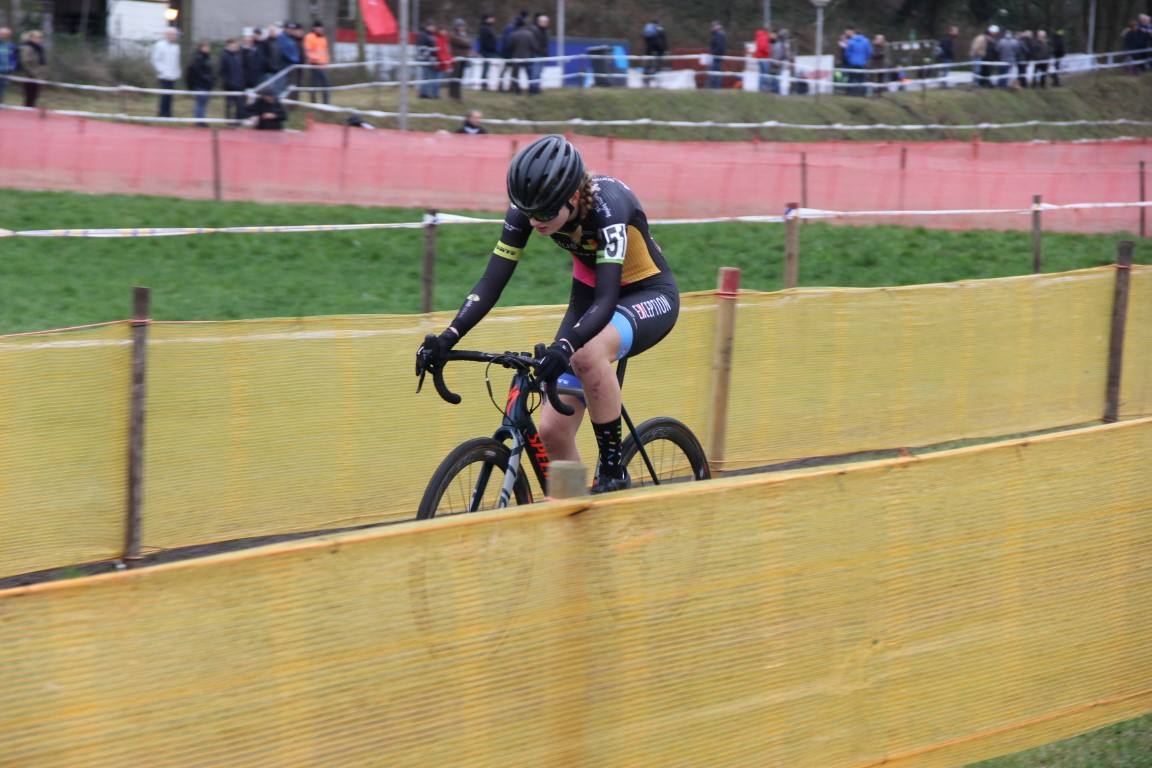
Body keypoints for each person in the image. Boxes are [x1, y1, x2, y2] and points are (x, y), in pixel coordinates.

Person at [415, 135, 679, 494]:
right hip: (590, 301)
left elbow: (606, 298)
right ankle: (576, 507)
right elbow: (492, 281)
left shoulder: (608, 207)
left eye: (543, 213)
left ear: (572, 197)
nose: (534, 221)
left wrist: (567, 345)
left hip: (646, 294)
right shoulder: (531, 209)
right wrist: (449, 336)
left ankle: (614, 469)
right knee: (553, 431)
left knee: (587, 354)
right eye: (527, 212)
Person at [151, 27, 181, 117]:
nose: (175, 37)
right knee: (164, 95)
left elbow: (176, 61)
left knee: (170, 96)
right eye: (174, 35)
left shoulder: (176, 47)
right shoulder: (159, 45)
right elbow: (155, 60)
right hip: (163, 75)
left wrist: (177, 72)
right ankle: (162, 113)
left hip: (172, 75)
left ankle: (168, 113)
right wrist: (162, 71)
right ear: (168, 35)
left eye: (176, 35)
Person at [185, 40, 214, 125]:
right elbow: (197, 72)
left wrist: (211, 80)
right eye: (206, 47)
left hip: (206, 85)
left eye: (208, 47)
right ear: (201, 48)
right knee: (200, 103)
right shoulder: (198, 58)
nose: (208, 49)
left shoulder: (207, 58)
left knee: (203, 103)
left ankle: (201, 119)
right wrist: (206, 78)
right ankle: (199, 121)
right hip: (200, 85)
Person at [504, 17, 536, 94]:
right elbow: (534, 46)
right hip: (527, 57)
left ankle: (517, 90)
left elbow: (509, 47)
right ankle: (531, 89)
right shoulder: (530, 34)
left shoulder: (513, 35)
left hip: (516, 57)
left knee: (515, 75)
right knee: (529, 74)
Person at [303, 21, 331, 104]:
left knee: (326, 85)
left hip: (323, 65)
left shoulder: (323, 38)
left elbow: (325, 51)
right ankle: (313, 103)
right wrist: (315, 59)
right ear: (314, 28)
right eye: (318, 27)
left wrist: (326, 61)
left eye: (321, 27)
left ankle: (326, 103)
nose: (320, 29)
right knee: (314, 84)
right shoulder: (309, 37)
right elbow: (307, 51)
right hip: (314, 65)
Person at [17, 30, 46, 107]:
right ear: (32, 38)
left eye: (40, 38)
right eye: (38, 38)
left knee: (34, 96)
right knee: (29, 96)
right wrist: (34, 74)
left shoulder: (39, 49)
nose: (40, 40)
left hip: (38, 76)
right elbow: (25, 62)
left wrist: (41, 73)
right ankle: (26, 112)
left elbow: (41, 62)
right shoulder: (27, 48)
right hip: (29, 76)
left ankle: (30, 111)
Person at [219, 38, 246, 119]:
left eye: (236, 44)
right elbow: (222, 70)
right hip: (229, 84)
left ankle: (238, 120)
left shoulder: (240, 55)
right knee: (229, 103)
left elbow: (242, 68)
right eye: (233, 44)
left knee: (239, 103)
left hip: (239, 83)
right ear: (229, 45)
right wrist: (226, 81)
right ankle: (228, 120)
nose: (235, 46)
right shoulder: (225, 55)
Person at [841, 27, 872, 96]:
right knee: (862, 79)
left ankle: (850, 93)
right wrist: (865, 59)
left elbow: (847, 53)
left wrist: (850, 60)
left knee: (851, 78)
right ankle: (863, 93)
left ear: (855, 33)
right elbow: (869, 52)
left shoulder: (851, 41)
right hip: (862, 63)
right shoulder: (866, 41)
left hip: (852, 63)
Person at [416, 22, 441, 99]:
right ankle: (424, 93)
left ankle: (430, 93)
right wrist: (428, 55)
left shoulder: (433, 36)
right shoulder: (424, 35)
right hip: (426, 60)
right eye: (431, 26)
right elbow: (421, 48)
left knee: (431, 77)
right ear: (428, 27)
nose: (433, 28)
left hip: (433, 59)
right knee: (425, 76)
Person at [447, 18, 470, 100]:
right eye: (460, 26)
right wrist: (466, 42)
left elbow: (469, 42)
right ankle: (452, 94)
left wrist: (466, 42)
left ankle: (458, 95)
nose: (462, 27)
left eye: (463, 26)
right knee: (455, 76)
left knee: (460, 77)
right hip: (456, 58)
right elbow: (463, 42)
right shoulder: (453, 35)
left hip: (464, 58)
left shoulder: (464, 34)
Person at [476, 13, 500, 91]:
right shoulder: (484, 28)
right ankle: (484, 84)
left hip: (490, 51)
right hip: (487, 51)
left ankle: (487, 84)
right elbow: (485, 41)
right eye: (491, 18)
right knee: (486, 68)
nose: (493, 19)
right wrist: (490, 48)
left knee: (489, 68)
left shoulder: (489, 28)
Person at [529, 13, 549, 95]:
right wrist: (538, 50)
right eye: (543, 21)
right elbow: (534, 43)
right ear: (539, 22)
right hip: (536, 54)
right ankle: (533, 90)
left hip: (543, 55)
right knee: (535, 73)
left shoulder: (546, 31)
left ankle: (536, 88)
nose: (545, 23)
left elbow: (545, 44)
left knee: (539, 73)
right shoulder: (535, 30)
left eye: (546, 22)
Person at [753, 26, 772, 93]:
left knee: (761, 73)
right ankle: (763, 88)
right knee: (765, 74)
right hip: (764, 57)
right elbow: (763, 47)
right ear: (767, 31)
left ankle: (760, 87)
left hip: (759, 57)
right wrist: (768, 52)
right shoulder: (765, 37)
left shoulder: (759, 36)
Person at [0, 27, 17, 105]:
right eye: (1, 34)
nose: (2, 36)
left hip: (6, 71)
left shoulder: (11, 46)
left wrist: (12, 66)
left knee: (2, 89)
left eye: (5, 34)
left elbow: (14, 58)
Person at [709, 21, 727, 89]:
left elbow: (720, 48)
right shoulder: (718, 34)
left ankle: (715, 88)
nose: (711, 28)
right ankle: (715, 87)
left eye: (713, 26)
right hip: (716, 56)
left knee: (715, 73)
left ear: (717, 27)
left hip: (716, 56)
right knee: (716, 72)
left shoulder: (719, 35)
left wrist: (713, 52)